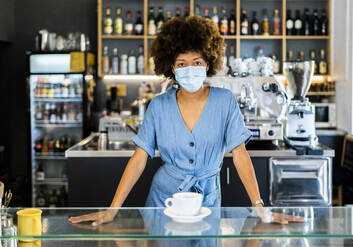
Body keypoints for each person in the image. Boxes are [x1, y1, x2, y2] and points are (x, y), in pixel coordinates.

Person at [69, 16, 302, 226]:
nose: (190, 69)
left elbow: (240, 154)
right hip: (164, 202)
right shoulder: (158, 106)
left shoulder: (225, 101)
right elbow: (139, 158)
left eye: (197, 62)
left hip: (208, 201)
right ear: (171, 67)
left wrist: (259, 207)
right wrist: (112, 210)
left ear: (208, 64)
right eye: (182, 63)